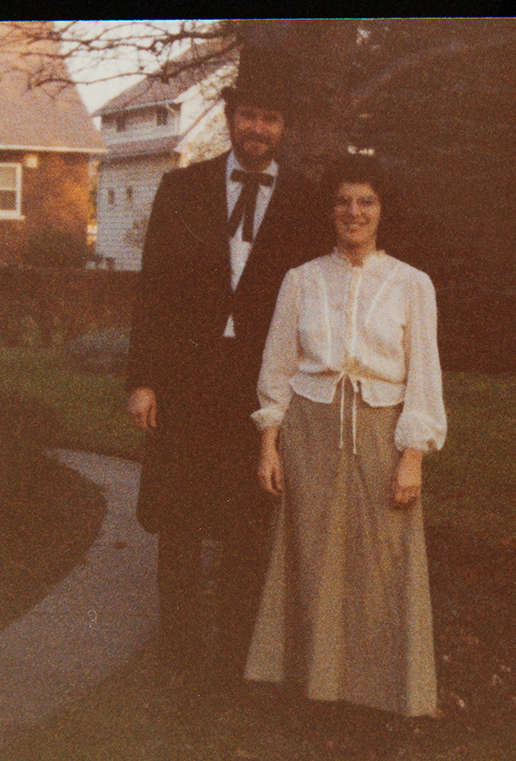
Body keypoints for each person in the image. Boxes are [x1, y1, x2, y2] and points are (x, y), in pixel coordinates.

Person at [126, 46, 325, 685]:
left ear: (283, 127)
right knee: (179, 521)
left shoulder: (307, 202)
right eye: (248, 116)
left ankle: (239, 657)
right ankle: (180, 657)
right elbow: (152, 286)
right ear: (231, 116)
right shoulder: (182, 188)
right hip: (187, 379)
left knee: (246, 523)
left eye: (270, 119)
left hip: (261, 384)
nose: (258, 130)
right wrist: (143, 379)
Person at [244, 154, 447, 718]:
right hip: (310, 431)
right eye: (343, 201)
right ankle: (314, 688)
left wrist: (413, 456)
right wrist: (269, 442)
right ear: (329, 210)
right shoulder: (302, 280)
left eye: (366, 201)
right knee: (312, 555)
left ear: (383, 211)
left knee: (383, 556)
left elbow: (423, 374)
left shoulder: (412, 284)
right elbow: (278, 366)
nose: (353, 212)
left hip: (383, 432)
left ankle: (381, 692)